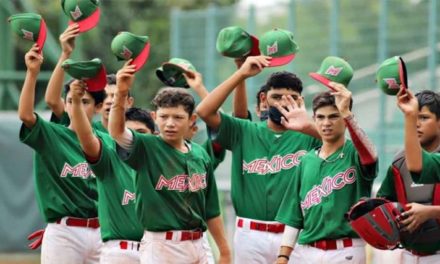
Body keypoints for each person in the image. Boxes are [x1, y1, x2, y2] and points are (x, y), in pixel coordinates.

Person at [196, 55, 321, 263]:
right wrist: (241, 73)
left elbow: (339, 143)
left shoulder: (310, 136)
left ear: (300, 101)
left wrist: (308, 125)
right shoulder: (244, 131)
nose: (283, 102)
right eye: (277, 96)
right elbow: (204, 111)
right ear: (264, 99)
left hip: (294, 233)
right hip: (249, 234)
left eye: (291, 97)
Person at [108, 61, 231, 263]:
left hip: (199, 243)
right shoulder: (146, 147)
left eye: (178, 117)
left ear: (192, 120)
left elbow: (211, 210)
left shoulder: (200, 154)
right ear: (155, 117)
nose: (170, 123)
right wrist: (121, 91)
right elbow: (117, 131)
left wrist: (224, 250)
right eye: (164, 116)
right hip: (161, 246)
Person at [19, 44, 104, 264]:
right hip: (65, 232)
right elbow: (27, 115)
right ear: (66, 105)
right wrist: (32, 73)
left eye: (86, 102)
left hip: (103, 230)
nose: (77, 105)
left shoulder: (104, 138)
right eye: (72, 101)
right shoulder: (52, 135)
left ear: (98, 107)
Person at [275, 84, 378, 264]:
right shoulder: (306, 161)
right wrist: (283, 256)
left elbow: (371, 154)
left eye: (333, 116)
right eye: (320, 117)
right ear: (314, 119)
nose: (326, 123)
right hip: (307, 251)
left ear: (345, 121)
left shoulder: (356, 154)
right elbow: (294, 215)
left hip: (346, 250)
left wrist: (347, 113)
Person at [69, 79, 154, 264]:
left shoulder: (157, 161)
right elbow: (85, 135)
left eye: (140, 132)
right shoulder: (108, 157)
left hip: (157, 250)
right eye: (128, 133)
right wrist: (76, 102)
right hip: (120, 252)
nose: (133, 139)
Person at [44, 24, 133, 130]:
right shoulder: (83, 126)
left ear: (129, 102)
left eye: (115, 96)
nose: (110, 101)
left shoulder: (135, 133)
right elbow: (52, 101)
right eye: (106, 96)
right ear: (98, 105)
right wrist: (65, 53)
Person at [392, 88, 440, 262]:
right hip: (408, 254)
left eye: (424, 118)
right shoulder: (399, 161)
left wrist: (432, 212)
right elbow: (386, 201)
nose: (417, 123)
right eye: (415, 117)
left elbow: (417, 164)